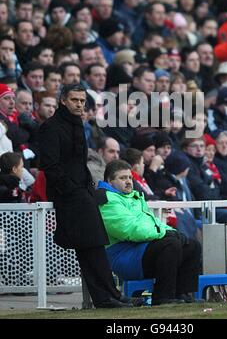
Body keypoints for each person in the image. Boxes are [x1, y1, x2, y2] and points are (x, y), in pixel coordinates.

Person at [38, 83, 134, 309]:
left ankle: (109, 296)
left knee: (92, 245)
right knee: (92, 244)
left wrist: (88, 188)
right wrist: (72, 189)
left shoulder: (78, 125)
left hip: (82, 191)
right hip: (69, 195)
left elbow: (79, 163)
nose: (79, 104)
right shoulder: (51, 127)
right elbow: (50, 166)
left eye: (82, 101)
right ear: (63, 100)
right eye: (74, 100)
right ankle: (107, 296)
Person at [98, 159, 202, 305]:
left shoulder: (133, 196)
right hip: (124, 256)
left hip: (140, 249)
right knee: (170, 244)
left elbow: (152, 223)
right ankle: (162, 297)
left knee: (191, 245)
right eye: (122, 178)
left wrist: (172, 232)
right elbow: (129, 229)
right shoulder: (107, 200)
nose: (128, 181)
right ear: (109, 181)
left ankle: (182, 294)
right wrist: (165, 233)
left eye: (130, 177)